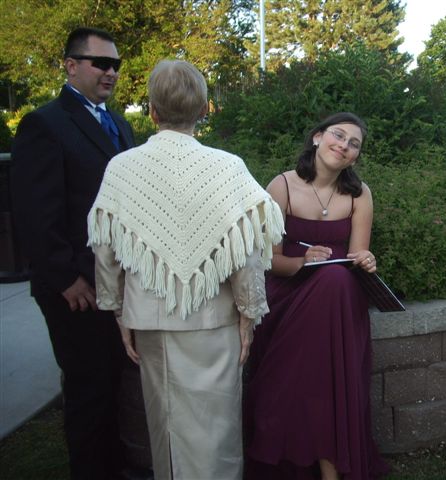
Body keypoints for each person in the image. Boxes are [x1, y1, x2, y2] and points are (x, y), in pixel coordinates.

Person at [88, 59, 285, 480]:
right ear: (203, 109)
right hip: (214, 319)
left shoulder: (122, 167)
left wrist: (119, 310)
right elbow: (246, 253)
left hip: (151, 317)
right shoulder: (227, 166)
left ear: (152, 110)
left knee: (166, 426)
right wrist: (249, 314)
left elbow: (106, 249)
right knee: (217, 426)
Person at [10, 27, 135, 479]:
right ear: (71, 65)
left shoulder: (119, 124)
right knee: (88, 392)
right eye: (101, 63)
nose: (111, 72)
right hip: (75, 288)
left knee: (114, 386)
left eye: (115, 64)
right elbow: (33, 213)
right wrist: (65, 278)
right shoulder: (44, 124)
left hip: (114, 280)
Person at [245, 112, 390, 479]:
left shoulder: (359, 194)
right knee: (331, 284)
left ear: (355, 156)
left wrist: (366, 259)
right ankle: (331, 468)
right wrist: (301, 261)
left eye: (353, 144)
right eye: (338, 136)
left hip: (337, 302)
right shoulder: (281, 186)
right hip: (288, 293)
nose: (343, 146)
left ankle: (328, 465)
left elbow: (356, 255)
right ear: (317, 137)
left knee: (336, 279)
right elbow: (268, 261)